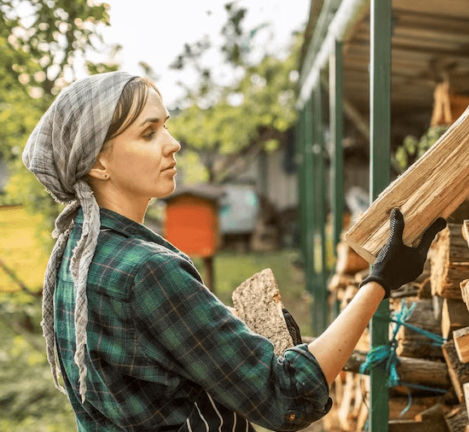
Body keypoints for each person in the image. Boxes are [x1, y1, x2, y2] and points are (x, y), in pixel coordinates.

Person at [22, 70, 446, 432]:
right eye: (149, 133)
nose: (173, 144)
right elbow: (287, 396)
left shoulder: (72, 252)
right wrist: (381, 279)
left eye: (166, 125)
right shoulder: (148, 272)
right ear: (97, 163)